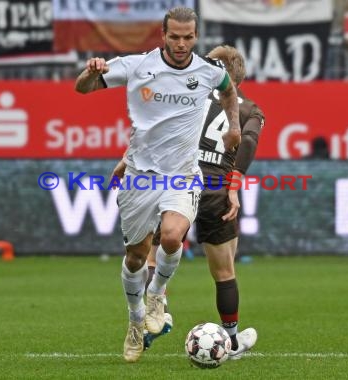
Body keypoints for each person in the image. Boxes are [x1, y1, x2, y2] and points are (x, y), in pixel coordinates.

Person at [75, 7, 241, 363]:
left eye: (188, 37)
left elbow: (229, 92)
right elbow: (82, 89)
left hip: (182, 174)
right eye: (175, 37)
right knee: (135, 257)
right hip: (140, 176)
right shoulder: (137, 66)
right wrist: (91, 73)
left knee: (171, 236)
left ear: (196, 36)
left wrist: (235, 126)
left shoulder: (209, 71)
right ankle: (135, 321)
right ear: (163, 35)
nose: (181, 44)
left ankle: (157, 296)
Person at [115, 45, 265, 359]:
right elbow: (248, 141)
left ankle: (156, 316)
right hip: (215, 190)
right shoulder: (250, 109)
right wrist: (234, 186)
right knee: (224, 273)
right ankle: (233, 342)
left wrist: (127, 159)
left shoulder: (186, 96)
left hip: (174, 180)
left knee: (154, 257)